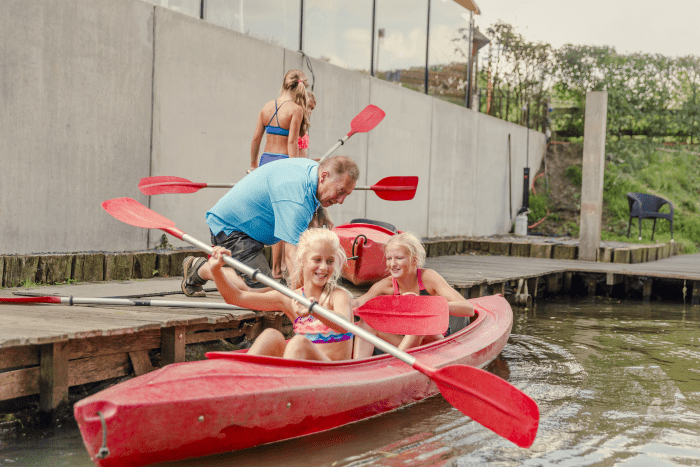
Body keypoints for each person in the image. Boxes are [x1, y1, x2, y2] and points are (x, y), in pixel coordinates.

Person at [181, 156, 358, 297]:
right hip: (232, 228)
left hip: (251, 229)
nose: (341, 201)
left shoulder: (313, 170)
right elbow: (292, 255)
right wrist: (306, 299)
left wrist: (322, 210)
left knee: (276, 290)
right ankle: (201, 268)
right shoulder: (296, 198)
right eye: (340, 192)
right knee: (262, 292)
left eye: (347, 195)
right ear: (324, 177)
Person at [207, 228, 354, 361]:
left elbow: (345, 325)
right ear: (302, 260)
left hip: (332, 372)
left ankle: (285, 386)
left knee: (299, 343)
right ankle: (242, 380)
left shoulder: (339, 296)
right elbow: (236, 297)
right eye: (317, 259)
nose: (323, 267)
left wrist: (313, 310)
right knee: (271, 335)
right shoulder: (290, 298)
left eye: (330, 261)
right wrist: (216, 271)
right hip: (303, 373)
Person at [352, 232, 475, 359]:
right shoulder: (386, 285)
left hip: (436, 344)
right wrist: (340, 301)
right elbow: (359, 303)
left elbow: (468, 309)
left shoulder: (428, 277)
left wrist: (421, 306)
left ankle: (395, 364)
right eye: (389, 258)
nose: (392, 264)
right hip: (405, 346)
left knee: (419, 320)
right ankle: (358, 368)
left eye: (399, 258)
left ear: (414, 260)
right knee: (366, 321)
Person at [271, 90, 317, 279]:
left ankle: (285, 267)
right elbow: (295, 157)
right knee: (282, 227)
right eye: (309, 108)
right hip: (289, 179)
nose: (311, 112)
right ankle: (277, 268)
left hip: (296, 177)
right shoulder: (294, 126)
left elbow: (303, 157)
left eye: (313, 109)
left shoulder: (303, 131)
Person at [248, 69, 310, 173]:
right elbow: (292, 142)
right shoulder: (296, 110)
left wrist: (253, 164)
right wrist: (294, 169)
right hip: (284, 161)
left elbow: (256, 139)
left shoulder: (267, 106)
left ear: (284, 84)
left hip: (265, 161)